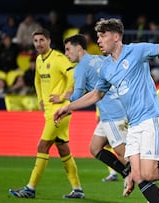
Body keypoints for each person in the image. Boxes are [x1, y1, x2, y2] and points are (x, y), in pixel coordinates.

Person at [54, 17, 159, 203]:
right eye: (98, 37)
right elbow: (95, 95)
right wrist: (68, 107)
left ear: (116, 37)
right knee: (138, 175)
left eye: (103, 36)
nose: (98, 40)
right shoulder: (106, 67)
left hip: (151, 120)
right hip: (133, 126)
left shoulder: (137, 50)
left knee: (149, 174)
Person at [8, 28, 85, 199]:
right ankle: (77, 189)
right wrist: (41, 99)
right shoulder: (38, 60)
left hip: (60, 111)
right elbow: (37, 80)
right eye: (36, 41)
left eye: (42, 40)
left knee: (42, 146)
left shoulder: (58, 59)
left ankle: (30, 188)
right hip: (50, 111)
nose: (38, 44)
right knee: (63, 149)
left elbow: (73, 73)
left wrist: (65, 95)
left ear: (49, 41)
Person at [63, 34, 130, 184]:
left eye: (68, 49)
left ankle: (147, 182)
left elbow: (77, 96)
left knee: (123, 153)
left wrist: (64, 97)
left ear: (78, 47)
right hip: (116, 107)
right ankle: (128, 174)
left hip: (111, 113)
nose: (66, 54)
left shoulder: (80, 68)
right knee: (95, 148)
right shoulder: (99, 59)